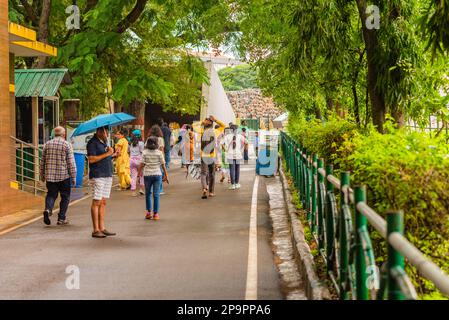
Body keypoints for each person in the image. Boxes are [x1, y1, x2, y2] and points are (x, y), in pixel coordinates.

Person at [40, 126, 76, 226]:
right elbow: (71, 163)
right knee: (65, 197)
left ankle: (48, 209)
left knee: (51, 195)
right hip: (64, 176)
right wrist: (73, 177)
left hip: (50, 177)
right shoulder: (66, 145)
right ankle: (61, 218)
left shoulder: (47, 144)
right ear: (63, 134)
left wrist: (42, 174)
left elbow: (42, 161)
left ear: (54, 134)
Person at [87, 126, 116, 238]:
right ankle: (95, 229)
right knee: (97, 201)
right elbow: (92, 159)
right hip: (98, 175)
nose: (107, 133)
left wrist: (113, 155)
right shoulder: (92, 143)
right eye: (105, 131)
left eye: (107, 131)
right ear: (99, 131)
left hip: (107, 174)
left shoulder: (104, 142)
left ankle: (102, 227)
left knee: (103, 201)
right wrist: (107, 154)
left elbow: (105, 157)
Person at [139, 136, 169, 220]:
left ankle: (148, 213)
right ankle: (156, 214)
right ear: (156, 143)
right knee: (156, 195)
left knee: (148, 194)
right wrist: (166, 175)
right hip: (157, 175)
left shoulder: (144, 152)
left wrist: (138, 175)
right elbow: (163, 165)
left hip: (147, 175)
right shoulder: (159, 153)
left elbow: (142, 164)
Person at [200, 115, 225, 199]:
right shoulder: (215, 131)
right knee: (212, 174)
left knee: (203, 173)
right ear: (212, 124)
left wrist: (203, 121)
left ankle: (204, 187)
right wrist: (215, 120)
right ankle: (211, 192)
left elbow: (194, 125)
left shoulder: (201, 131)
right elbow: (223, 126)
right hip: (211, 156)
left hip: (203, 155)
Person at [223, 124, 246, 190]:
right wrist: (241, 149)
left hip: (230, 154)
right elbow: (246, 142)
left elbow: (221, 143)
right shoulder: (240, 136)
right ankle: (237, 183)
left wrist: (226, 149)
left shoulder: (227, 136)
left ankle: (232, 184)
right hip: (238, 154)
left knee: (232, 169)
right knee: (237, 169)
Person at [129, 129, 145, 196]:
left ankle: (133, 192)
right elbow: (142, 152)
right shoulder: (141, 143)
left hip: (132, 160)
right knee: (141, 175)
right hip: (139, 161)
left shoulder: (130, 143)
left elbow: (128, 151)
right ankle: (141, 189)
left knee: (133, 176)